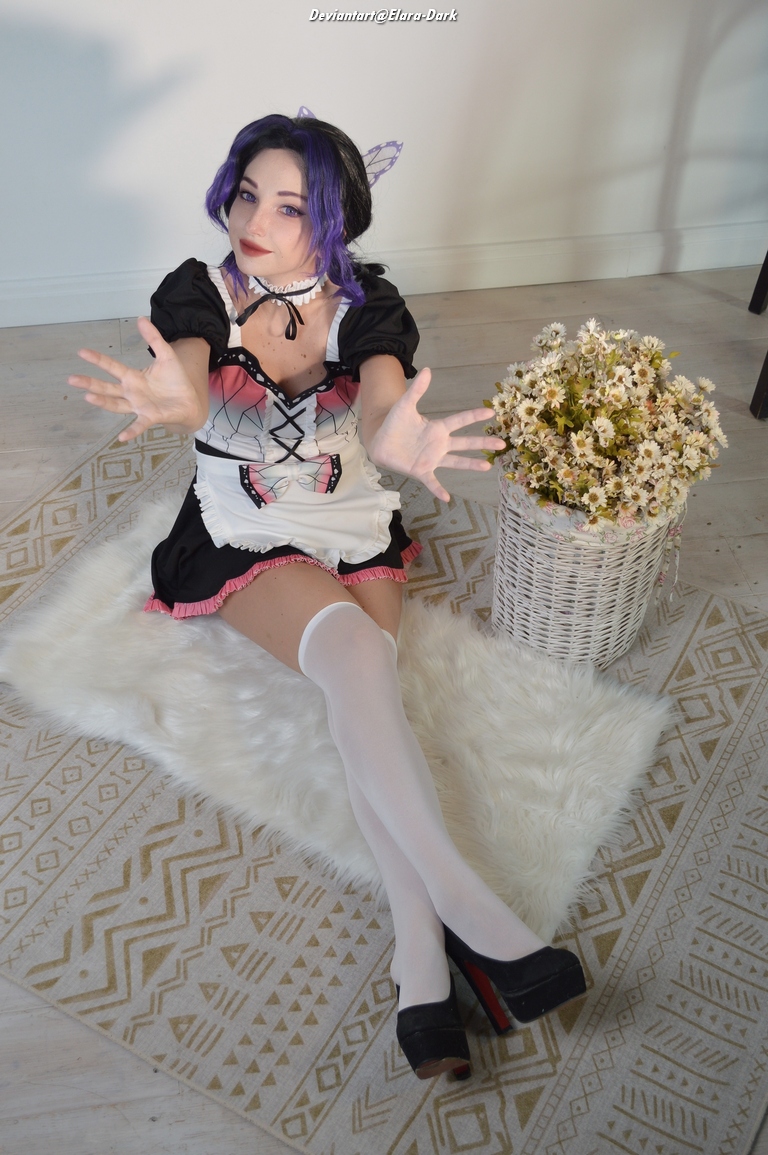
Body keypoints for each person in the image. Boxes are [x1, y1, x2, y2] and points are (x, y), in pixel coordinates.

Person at [69, 114, 586, 1080]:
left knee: (368, 703)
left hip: (351, 526)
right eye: (247, 192)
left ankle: (421, 960)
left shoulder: (366, 304)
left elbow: (386, 402)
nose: (255, 218)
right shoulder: (200, 290)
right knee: (355, 659)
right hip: (243, 531)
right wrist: (177, 400)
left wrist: (395, 440)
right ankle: (470, 912)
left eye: (292, 205)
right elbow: (185, 373)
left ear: (335, 221)